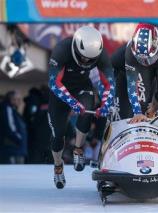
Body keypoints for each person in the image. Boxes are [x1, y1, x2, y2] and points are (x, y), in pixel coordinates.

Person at [47, 26, 115, 189]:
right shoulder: (62, 50)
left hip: (82, 87)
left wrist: (106, 104)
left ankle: (78, 149)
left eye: (90, 59)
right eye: (83, 57)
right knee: (58, 134)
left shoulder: (102, 54)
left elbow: (109, 84)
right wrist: (71, 102)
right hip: (60, 92)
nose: (86, 62)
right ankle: (58, 165)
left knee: (87, 111)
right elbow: (53, 83)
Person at [0, 90, 27, 164]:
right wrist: (19, 139)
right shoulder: (7, 109)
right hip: (12, 149)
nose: (19, 102)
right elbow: (10, 128)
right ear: (11, 99)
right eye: (17, 99)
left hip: (17, 148)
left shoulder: (13, 110)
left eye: (20, 99)